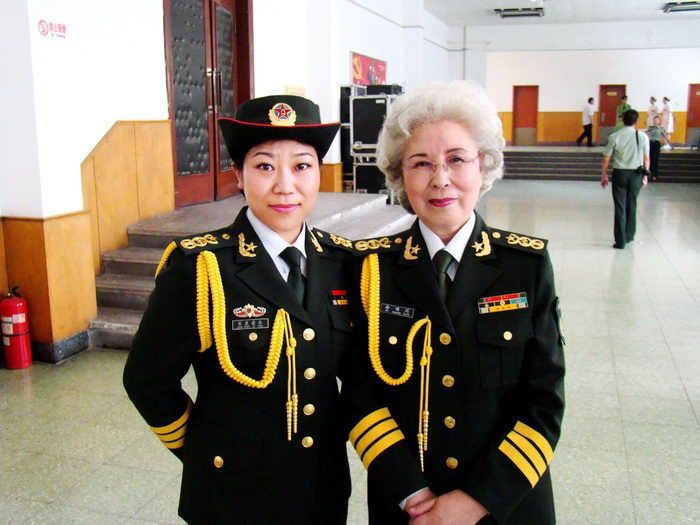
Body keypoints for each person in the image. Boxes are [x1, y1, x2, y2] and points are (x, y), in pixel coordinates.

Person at [123, 95, 356, 524]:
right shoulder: (200, 267)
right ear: (238, 175)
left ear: (319, 173)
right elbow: (146, 380)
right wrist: (203, 450)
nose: (285, 185)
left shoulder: (343, 262)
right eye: (265, 166)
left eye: (302, 166)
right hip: (230, 496)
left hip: (321, 490)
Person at [344, 80, 566, 524]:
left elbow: (544, 400)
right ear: (400, 175)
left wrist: (474, 501)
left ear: (483, 165)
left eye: (457, 159)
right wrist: (411, 492)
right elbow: (358, 392)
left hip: (505, 504)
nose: (440, 179)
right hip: (408, 505)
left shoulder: (524, 264)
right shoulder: (370, 269)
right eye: (421, 163)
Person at [601, 109, 649, 249]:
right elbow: (647, 158)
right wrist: (645, 177)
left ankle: (620, 240)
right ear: (636, 121)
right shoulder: (642, 136)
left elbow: (606, 158)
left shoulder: (614, 136)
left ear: (622, 120)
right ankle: (629, 235)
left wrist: (604, 175)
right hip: (636, 174)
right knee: (632, 204)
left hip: (619, 174)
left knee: (620, 207)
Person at [644, 114, 668, 181]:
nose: (655, 121)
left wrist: (670, 144)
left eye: (657, 120)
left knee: (655, 159)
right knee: (650, 158)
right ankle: (649, 173)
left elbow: (665, 136)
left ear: (659, 121)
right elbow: (645, 132)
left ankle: (655, 174)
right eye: (654, 120)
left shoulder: (661, 129)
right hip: (651, 143)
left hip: (657, 143)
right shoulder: (651, 127)